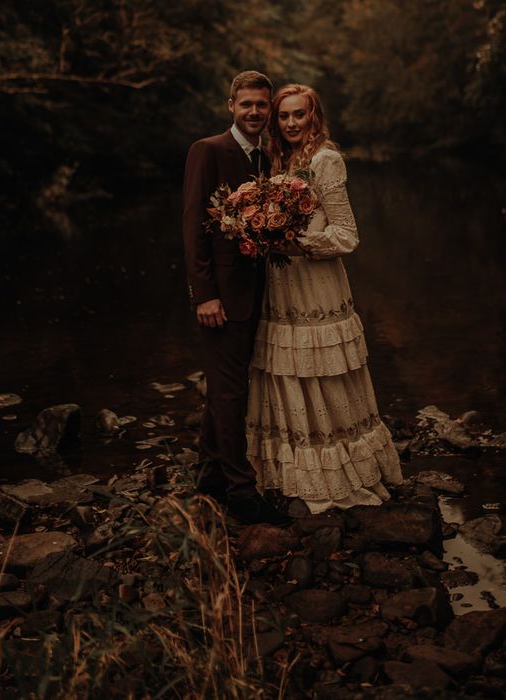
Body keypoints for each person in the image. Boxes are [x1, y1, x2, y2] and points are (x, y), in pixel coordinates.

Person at [245, 84, 403, 514]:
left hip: (315, 282)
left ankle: (338, 469)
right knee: (287, 371)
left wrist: (297, 242)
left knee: (323, 371)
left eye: (300, 115)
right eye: (285, 116)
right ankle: (293, 470)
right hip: (281, 286)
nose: (292, 123)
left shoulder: (325, 160)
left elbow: (348, 235)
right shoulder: (277, 159)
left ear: (314, 117)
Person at [182, 70, 288, 525]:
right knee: (231, 393)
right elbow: (192, 228)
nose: (255, 112)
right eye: (246, 104)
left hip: (255, 294)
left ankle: (208, 474)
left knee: (226, 388)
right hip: (220, 299)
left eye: (262, 106)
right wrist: (204, 295)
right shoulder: (208, 151)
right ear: (231, 106)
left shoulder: (265, 159)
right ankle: (241, 491)